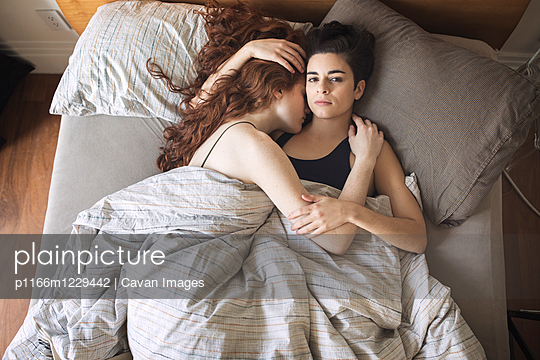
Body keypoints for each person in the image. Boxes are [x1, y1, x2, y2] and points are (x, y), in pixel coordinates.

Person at [149, 1, 424, 255]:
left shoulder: (372, 147)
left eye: (336, 79)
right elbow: (201, 110)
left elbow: (417, 238)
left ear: (358, 89)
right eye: (312, 79)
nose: (322, 89)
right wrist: (248, 52)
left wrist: (356, 196)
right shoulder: (276, 135)